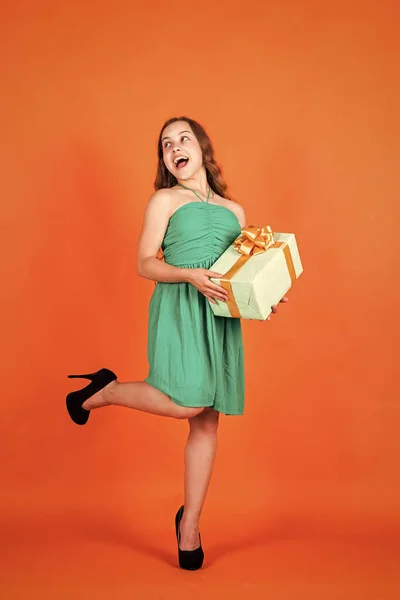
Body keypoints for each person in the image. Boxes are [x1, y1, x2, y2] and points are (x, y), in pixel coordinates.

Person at [65, 116, 288, 570]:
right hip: (180, 305)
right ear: (166, 160)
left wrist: (263, 297)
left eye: (183, 138)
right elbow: (145, 263)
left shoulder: (235, 212)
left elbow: (238, 274)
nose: (175, 147)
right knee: (185, 403)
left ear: (202, 147)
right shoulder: (164, 200)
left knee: (207, 422)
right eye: (167, 144)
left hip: (219, 315)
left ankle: (190, 525)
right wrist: (188, 275)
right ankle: (105, 391)